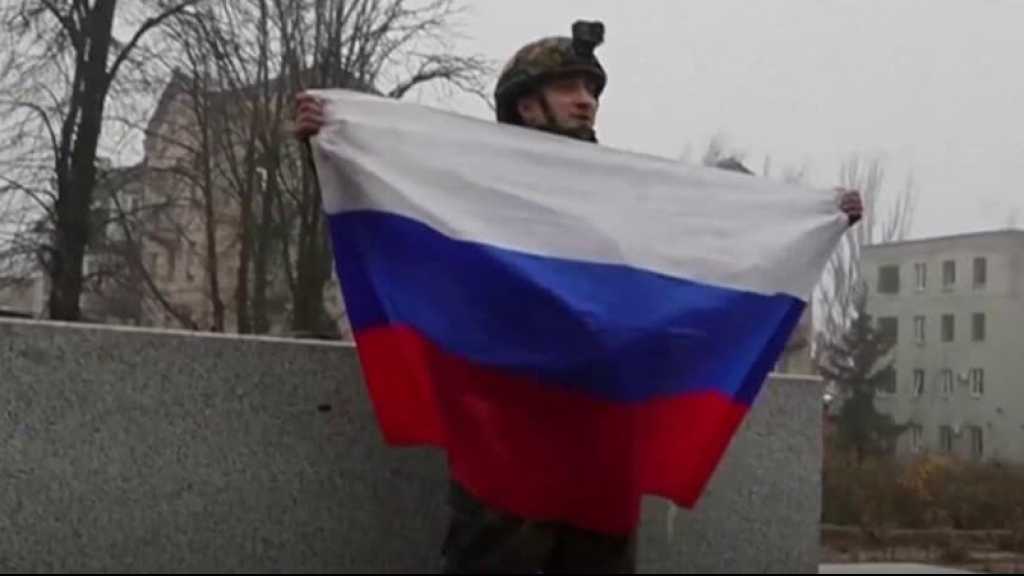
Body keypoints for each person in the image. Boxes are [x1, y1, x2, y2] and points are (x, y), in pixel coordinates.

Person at [294, 20, 863, 574]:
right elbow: (390, 204)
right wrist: (331, 142)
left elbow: (704, 241)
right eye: (569, 86)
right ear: (526, 105)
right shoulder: (474, 185)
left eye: (591, 89)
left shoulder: (620, 193)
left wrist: (815, 218)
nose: (586, 100)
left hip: (600, 449)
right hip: (506, 443)